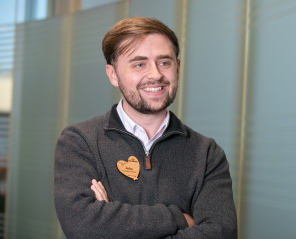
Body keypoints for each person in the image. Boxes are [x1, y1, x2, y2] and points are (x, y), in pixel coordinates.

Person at [54, 17, 237, 238]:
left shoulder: (207, 153)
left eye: (164, 62)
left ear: (177, 68)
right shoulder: (80, 141)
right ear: (113, 74)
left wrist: (110, 221)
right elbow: (81, 224)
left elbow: (221, 233)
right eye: (139, 64)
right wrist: (178, 218)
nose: (155, 74)